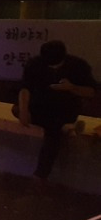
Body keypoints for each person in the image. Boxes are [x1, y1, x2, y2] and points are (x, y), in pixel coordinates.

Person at [15, 40, 97, 183]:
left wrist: (71, 88)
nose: (52, 68)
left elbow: (91, 92)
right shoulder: (35, 64)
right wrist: (23, 110)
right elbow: (25, 88)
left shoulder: (78, 66)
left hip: (64, 108)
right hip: (41, 106)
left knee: (53, 131)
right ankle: (66, 127)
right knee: (16, 110)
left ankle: (41, 174)